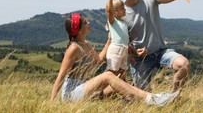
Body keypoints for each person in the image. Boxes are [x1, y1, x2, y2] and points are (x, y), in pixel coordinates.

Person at [50, 13, 180, 106]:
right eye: (85, 22)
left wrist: (108, 42)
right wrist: (51, 104)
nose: (88, 22)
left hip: (84, 90)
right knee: (108, 76)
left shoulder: (86, 44)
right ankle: (152, 100)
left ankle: (153, 97)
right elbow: (61, 76)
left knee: (118, 80)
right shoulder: (74, 48)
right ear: (78, 31)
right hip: (71, 95)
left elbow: (98, 61)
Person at [115, 0, 190, 92]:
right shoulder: (121, 13)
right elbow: (120, 41)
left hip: (161, 51)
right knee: (142, 97)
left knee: (183, 64)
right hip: (140, 59)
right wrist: (135, 51)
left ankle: (173, 97)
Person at [105, 0, 129, 80]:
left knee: (123, 74)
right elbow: (109, 11)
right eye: (122, 8)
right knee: (112, 74)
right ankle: (104, 93)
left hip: (124, 49)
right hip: (115, 49)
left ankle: (122, 92)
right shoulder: (112, 21)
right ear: (115, 12)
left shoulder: (124, 22)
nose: (125, 9)